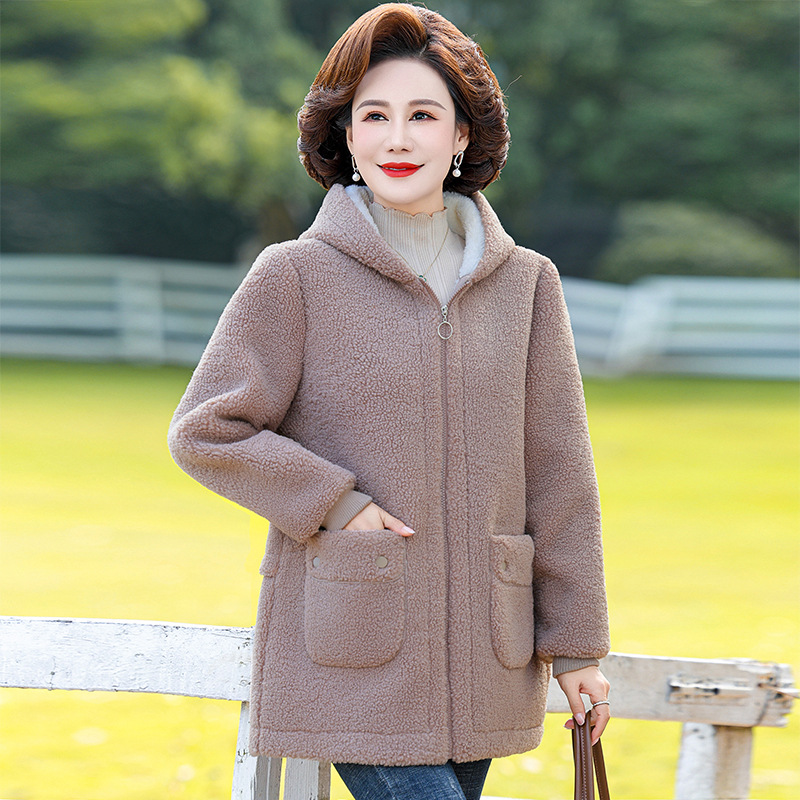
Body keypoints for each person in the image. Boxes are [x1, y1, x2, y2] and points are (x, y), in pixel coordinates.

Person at [168, 4, 611, 799]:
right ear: (345, 135)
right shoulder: (294, 275)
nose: (397, 139)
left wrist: (577, 647)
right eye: (373, 116)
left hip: (487, 654)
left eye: (422, 116)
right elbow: (208, 430)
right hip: (353, 652)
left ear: (462, 135)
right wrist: (335, 505)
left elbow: (561, 477)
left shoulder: (527, 285)